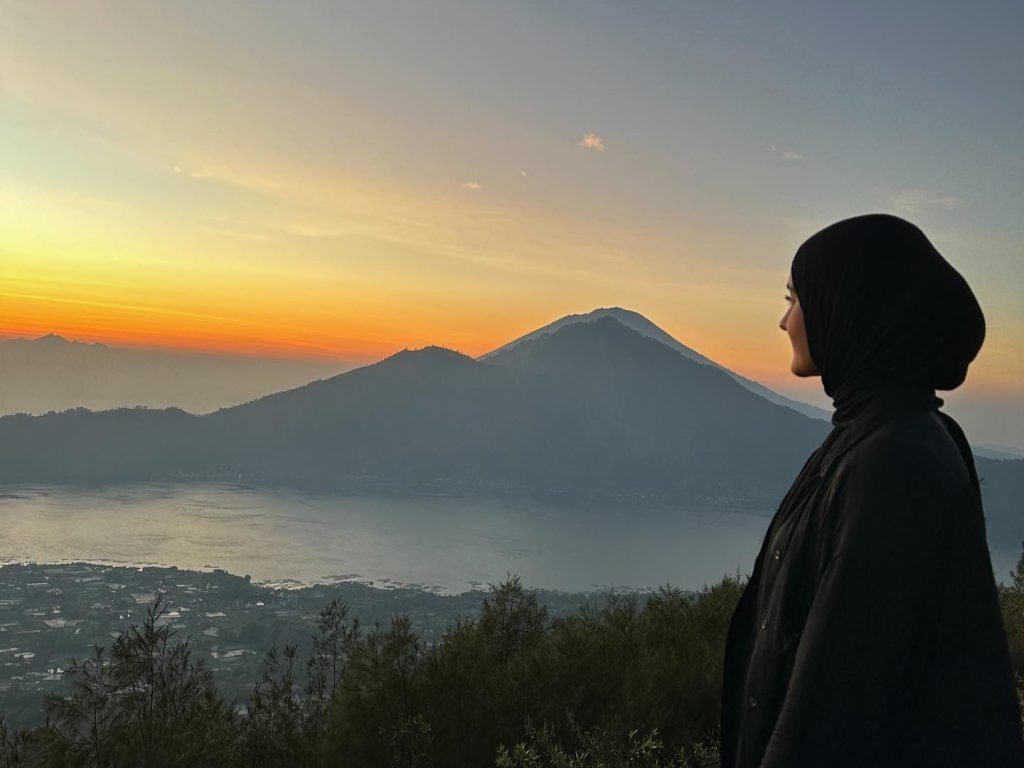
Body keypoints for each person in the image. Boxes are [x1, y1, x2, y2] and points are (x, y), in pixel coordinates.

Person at [719, 214, 1024, 767]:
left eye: (795, 299)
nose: (783, 320)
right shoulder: (874, 438)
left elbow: (834, 703)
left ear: (847, 306)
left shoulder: (893, 462)